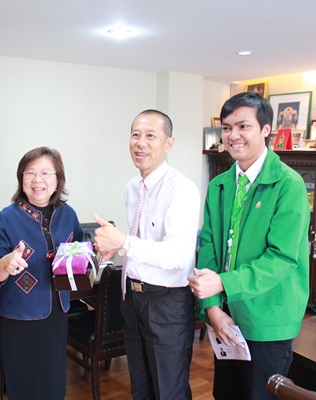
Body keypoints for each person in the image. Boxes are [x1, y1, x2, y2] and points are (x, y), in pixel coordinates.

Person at [188, 92, 310, 400]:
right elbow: (209, 247)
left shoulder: (288, 184)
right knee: (226, 394)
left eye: (244, 126)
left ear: (266, 129)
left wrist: (223, 283)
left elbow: (281, 258)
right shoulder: (219, 185)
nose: (233, 136)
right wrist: (213, 308)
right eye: (227, 128)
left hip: (269, 319)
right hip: (227, 315)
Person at [94, 110, 200, 400]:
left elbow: (178, 256)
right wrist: (118, 247)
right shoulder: (132, 186)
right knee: (140, 386)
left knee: (169, 390)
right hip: (132, 297)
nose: (140, 143)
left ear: (168, 143)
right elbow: (140, 243)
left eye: (150, 136)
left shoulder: (181, 189)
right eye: (135, 135)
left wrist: (124, 242)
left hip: (167, 302)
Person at [0, 147, 83, 400]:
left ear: (57, 180)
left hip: (56, 314)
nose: (38, 180)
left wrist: (94, 255)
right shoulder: (6, 218)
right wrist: (5, 264)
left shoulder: (68, 215)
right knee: (23, 385)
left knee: (53, 384)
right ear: (21, 179)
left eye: (46, 173)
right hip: (19, 316)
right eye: (30, 173)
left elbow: (80, 251)